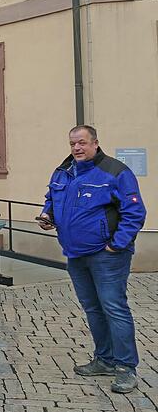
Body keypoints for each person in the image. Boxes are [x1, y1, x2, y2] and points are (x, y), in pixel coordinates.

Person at [39, 125, 145, 394]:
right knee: (93, 309)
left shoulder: (115, 171)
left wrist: (116, 245)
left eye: (82, 143)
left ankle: (125, 368)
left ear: (95, 143)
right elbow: (52, 197)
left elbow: (134, 213)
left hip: (106, 255)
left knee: (114, 308)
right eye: (73, 143)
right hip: (75, 254)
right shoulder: (63, 171)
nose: (77, 148)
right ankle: (105, 359)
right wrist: (48, 216)